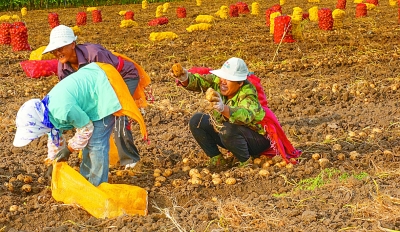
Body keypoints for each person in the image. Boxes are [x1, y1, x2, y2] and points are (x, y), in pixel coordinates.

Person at [13, 62, 147, 186]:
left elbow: (86, 129)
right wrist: (52, 163)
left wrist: (69, 150)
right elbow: (54, 139)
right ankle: (87, 180)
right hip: (92, 89)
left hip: (104, 88)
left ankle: (97, 186)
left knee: (96, 143)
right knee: (89, 143)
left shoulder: (63, 109)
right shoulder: (46, 113)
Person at [42, 24, 147, 169]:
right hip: (99, 88)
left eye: (60, 48)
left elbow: (111, 79)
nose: (57, 53)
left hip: (122, 78)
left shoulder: (94, 54)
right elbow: (69, 94)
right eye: (54, 50)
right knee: (90, 120)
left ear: (73, 44)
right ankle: (96, 158)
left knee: (119, 113)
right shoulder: (63, 68)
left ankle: (130, 160)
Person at [171, 57, 301, 167]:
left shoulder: (248, 91)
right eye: (223, 78)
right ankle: (217, 160)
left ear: (240, 83)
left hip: (255, 139)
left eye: (228, 79)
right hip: (231, 136)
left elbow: (246, 115)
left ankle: (246, 162)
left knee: (227, 129)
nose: (223, 82)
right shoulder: (218, 81)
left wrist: (224, 109)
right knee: (197, 121)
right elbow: (200, 81)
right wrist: (185, 77)